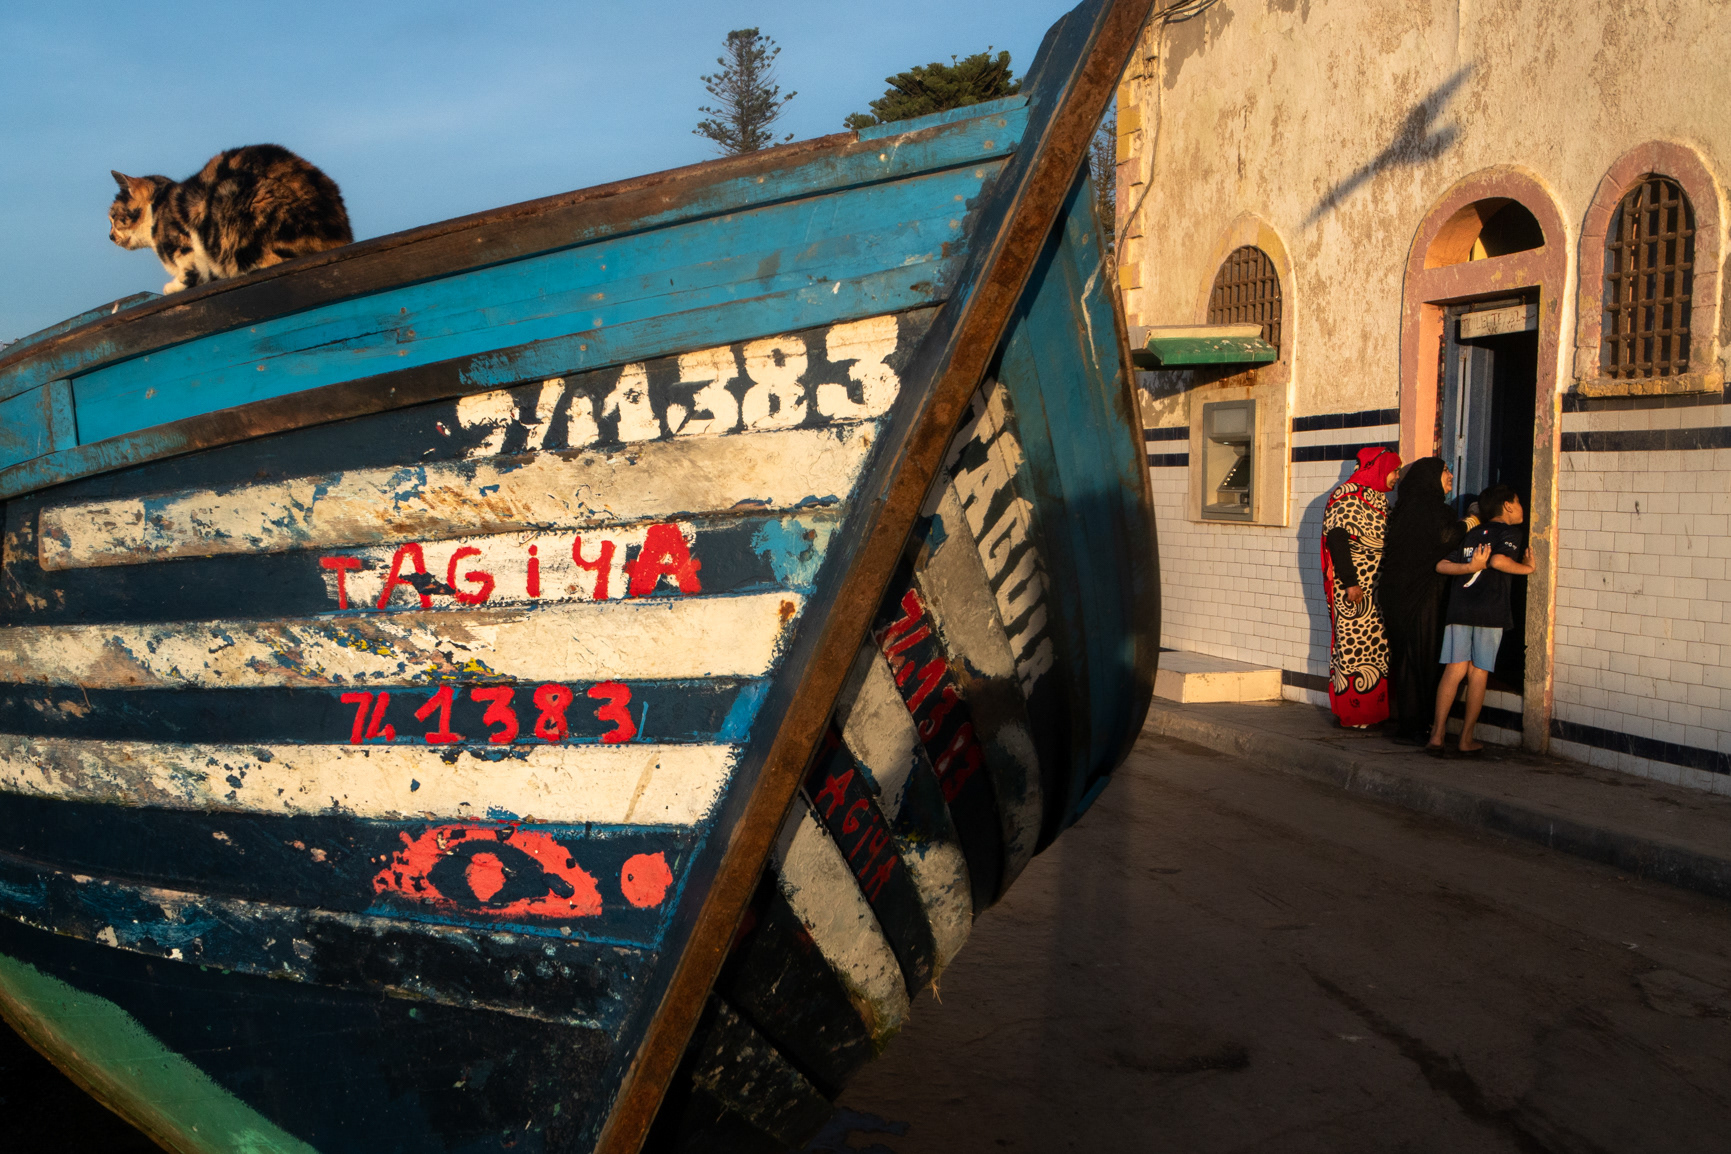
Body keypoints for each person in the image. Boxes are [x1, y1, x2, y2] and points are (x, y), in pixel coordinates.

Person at [1427, 484, 1535, 755]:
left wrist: (1469, 567)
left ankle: (1437, 736)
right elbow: (1498, 561)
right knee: (1478, 673)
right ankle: (1465, 739)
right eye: (1519, 501)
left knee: (1454, 670)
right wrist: (1528, 568)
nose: (1522, 508)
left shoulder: (1472, 533)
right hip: (1489, 611)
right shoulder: (1510, 532)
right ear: (1508, 505)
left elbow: (1441, 565)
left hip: (1459, 609)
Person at [1377, 458, 1475, 744]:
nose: (1451, 475)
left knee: (1408, 660)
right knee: (1421, 658)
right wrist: (1470, 521)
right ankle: (1418, 725)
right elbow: (1445, 537)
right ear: (1430, 477)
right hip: (1420, 596)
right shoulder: (1431, 509)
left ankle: (1413, 723)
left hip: (1398, 593)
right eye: (1445, 470)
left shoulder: (1406, 509)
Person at [1320, 446, 1402, 727]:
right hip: (1354, 590)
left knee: (1376, 649)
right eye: (1393, 470)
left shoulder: (1378, 499)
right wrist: (1352, 584)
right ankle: (1353, 712)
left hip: (1376, 590)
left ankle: (1374, 712)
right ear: (1378, 468)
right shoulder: (1346, 496)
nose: (1396, 476)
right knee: (1354, 650)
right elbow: (1337, 541)